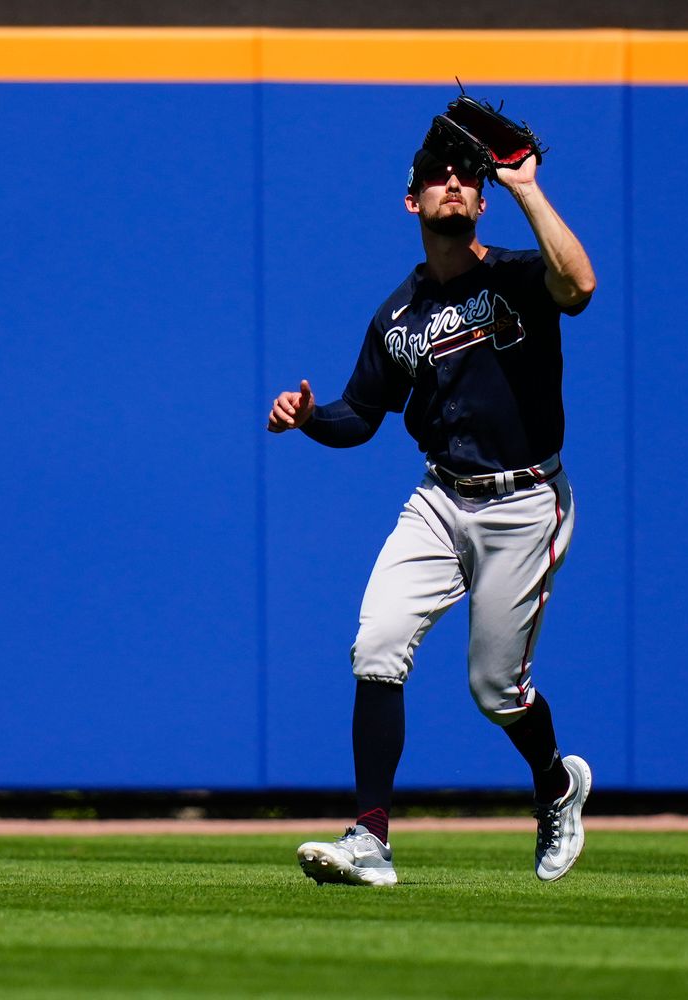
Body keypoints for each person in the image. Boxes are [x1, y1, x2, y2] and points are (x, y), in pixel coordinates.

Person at [266, 136, 597, 886]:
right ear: (412, 201)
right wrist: (311, 416)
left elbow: (579, 285)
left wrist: (526, 187)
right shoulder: (398, 316)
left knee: (495, 691)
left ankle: (555, 784)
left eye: (466, 178)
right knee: (377, 643)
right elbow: (360, 414)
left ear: (481, 200)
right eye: (437, 178)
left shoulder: (516, 274)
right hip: (442, 498)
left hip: (525, 502)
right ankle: (371, 839)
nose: (454, 185)